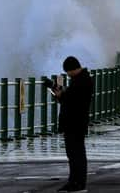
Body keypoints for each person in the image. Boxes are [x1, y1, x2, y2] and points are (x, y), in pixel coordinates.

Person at [52, 56, 93, 193]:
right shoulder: (80, 80)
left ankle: (78, 183)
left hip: (75, 123)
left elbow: (74, 101)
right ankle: (73, 182)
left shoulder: (82, 81)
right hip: (74, 122)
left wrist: (61, 95)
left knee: (76, 154)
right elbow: (72, 98)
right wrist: (62, 94)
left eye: (68, 72)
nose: (68, 74)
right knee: (74, 154)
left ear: (73, 69)